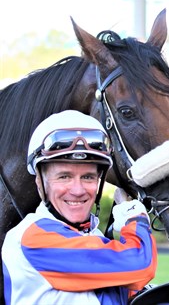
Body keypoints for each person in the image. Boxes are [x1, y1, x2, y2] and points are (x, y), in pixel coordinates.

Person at [2, 110, 157, 305]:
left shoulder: (92, 237)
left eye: (88, 177)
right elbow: (139, 265)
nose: (78, 190)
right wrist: (133, 217)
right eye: (64, 177)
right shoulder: (35, 238)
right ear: (40, 183)